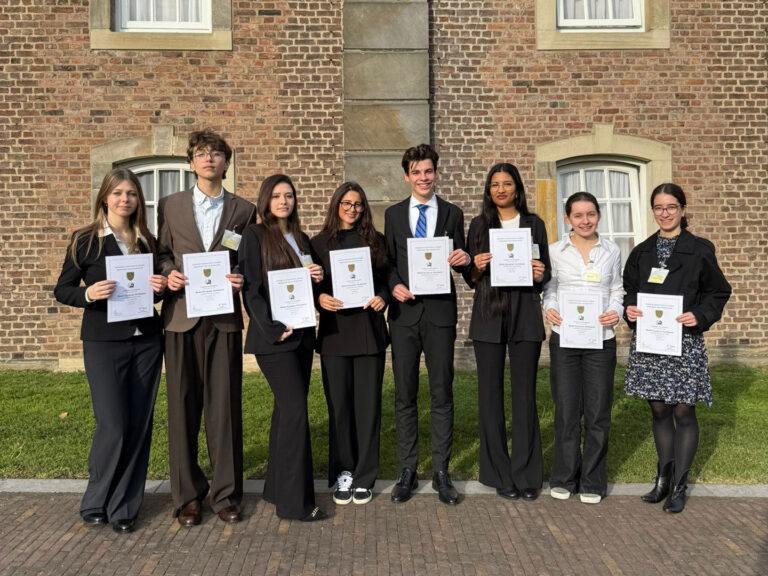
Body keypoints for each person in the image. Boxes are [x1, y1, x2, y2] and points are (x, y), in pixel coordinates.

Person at [54, 168, 167, 534]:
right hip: (104, 342)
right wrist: (88, 294)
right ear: (105, 197)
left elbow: (156, 290)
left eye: (131, 193)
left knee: (139, 424)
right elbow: (63, 289)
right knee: (113, 424)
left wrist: (160, 286)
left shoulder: (145, 239)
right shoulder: (85, 240)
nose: (125, 199)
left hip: (147, 340)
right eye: (118, 193)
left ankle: (125, 506)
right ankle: (96, 499)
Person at [157, 129, 257, 526]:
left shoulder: (244, 210)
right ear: (191, 162)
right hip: (181, 318)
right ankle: (187, 497)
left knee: (224, 407)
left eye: (216, 154)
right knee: (182, 408)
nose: (209, 160)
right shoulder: (171, 205)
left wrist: (240, 276)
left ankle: (226, 494)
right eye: (201, 153)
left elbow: (247, 259)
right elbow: (161, 254)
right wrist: (169, 274)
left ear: (226, 163)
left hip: (223, 320)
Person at [623, 183, 730, 514]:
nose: (665, 213)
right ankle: (662, 480)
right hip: (651, 342)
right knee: (658, 409)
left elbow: (718, 292)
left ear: (682, 209)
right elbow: (629, 290)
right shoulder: (641, 252)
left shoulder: (699, 249)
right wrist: (630, 308)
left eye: (671, 207)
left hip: (683, 341)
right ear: (652, 211)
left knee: (683, 409)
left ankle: (680, 486)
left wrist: (698, 315)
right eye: (658, 207)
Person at [384, 143, 472, 505]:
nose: (423, 178)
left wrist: (464, 259)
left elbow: (463, 265)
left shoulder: (452, 213)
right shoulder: (392, 215)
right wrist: (393, 285)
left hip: (439, 315)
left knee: (441, 392)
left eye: (429, 171)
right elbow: (387, 261)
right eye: (416, 172)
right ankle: (407, 470)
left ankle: (440, 471)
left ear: (436, 173)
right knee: (405, 394)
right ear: (407, 176)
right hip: (404, 315)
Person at [239, 174, 327, 521]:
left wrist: (315, 276)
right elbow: (251, 289)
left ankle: (276, 489)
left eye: (289, 195)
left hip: (302, 336)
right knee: (295, 414)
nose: (283, 201)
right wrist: (273, 329)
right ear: (265, 200)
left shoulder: (302, 239)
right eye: (276, 196)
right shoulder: (254, 236)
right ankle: (295, 504)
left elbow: (304, 283)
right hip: (274, 339)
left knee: (284, 413)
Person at [463, 163, 550, 502]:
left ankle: (527, 474)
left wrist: (541, 271)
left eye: (507, 184)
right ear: (489, 190)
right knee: (490, 396)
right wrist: (476, 267)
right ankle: (498, 473)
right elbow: (469, 277)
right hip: (489, 314)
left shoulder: (534, 224)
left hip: (526, 315)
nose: (501, 189)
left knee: (524, 396)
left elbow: (546, 274)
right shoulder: (479, 225)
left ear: (517, 188)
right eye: (495, 184)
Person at [311, 182, 389, 506]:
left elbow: (388, 279)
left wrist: (383, 297)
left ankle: (365, 475)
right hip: (334, 336)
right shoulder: (317, 244)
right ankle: (344, 472)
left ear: (364, 208)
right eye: (346, 203)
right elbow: (311, 283)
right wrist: (320, 298)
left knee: (367, 409)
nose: (352, 209)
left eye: (357, 204)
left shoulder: (377, 242)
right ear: (336, 205)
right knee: (340, 409)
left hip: (369, 333)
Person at [543, 191, 623, 504]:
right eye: (578, 215)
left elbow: (617, 289)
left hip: (601, 340)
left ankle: (592, 480)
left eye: (590, 214)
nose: (585, 221)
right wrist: (548, 308)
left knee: (598, 411)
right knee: (565, 410)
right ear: (568, 219)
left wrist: (615, 312)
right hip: (565, 338)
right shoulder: (555, 251)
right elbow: (549, 290)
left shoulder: (612, 251)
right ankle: (564, 476)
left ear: (598, 216)